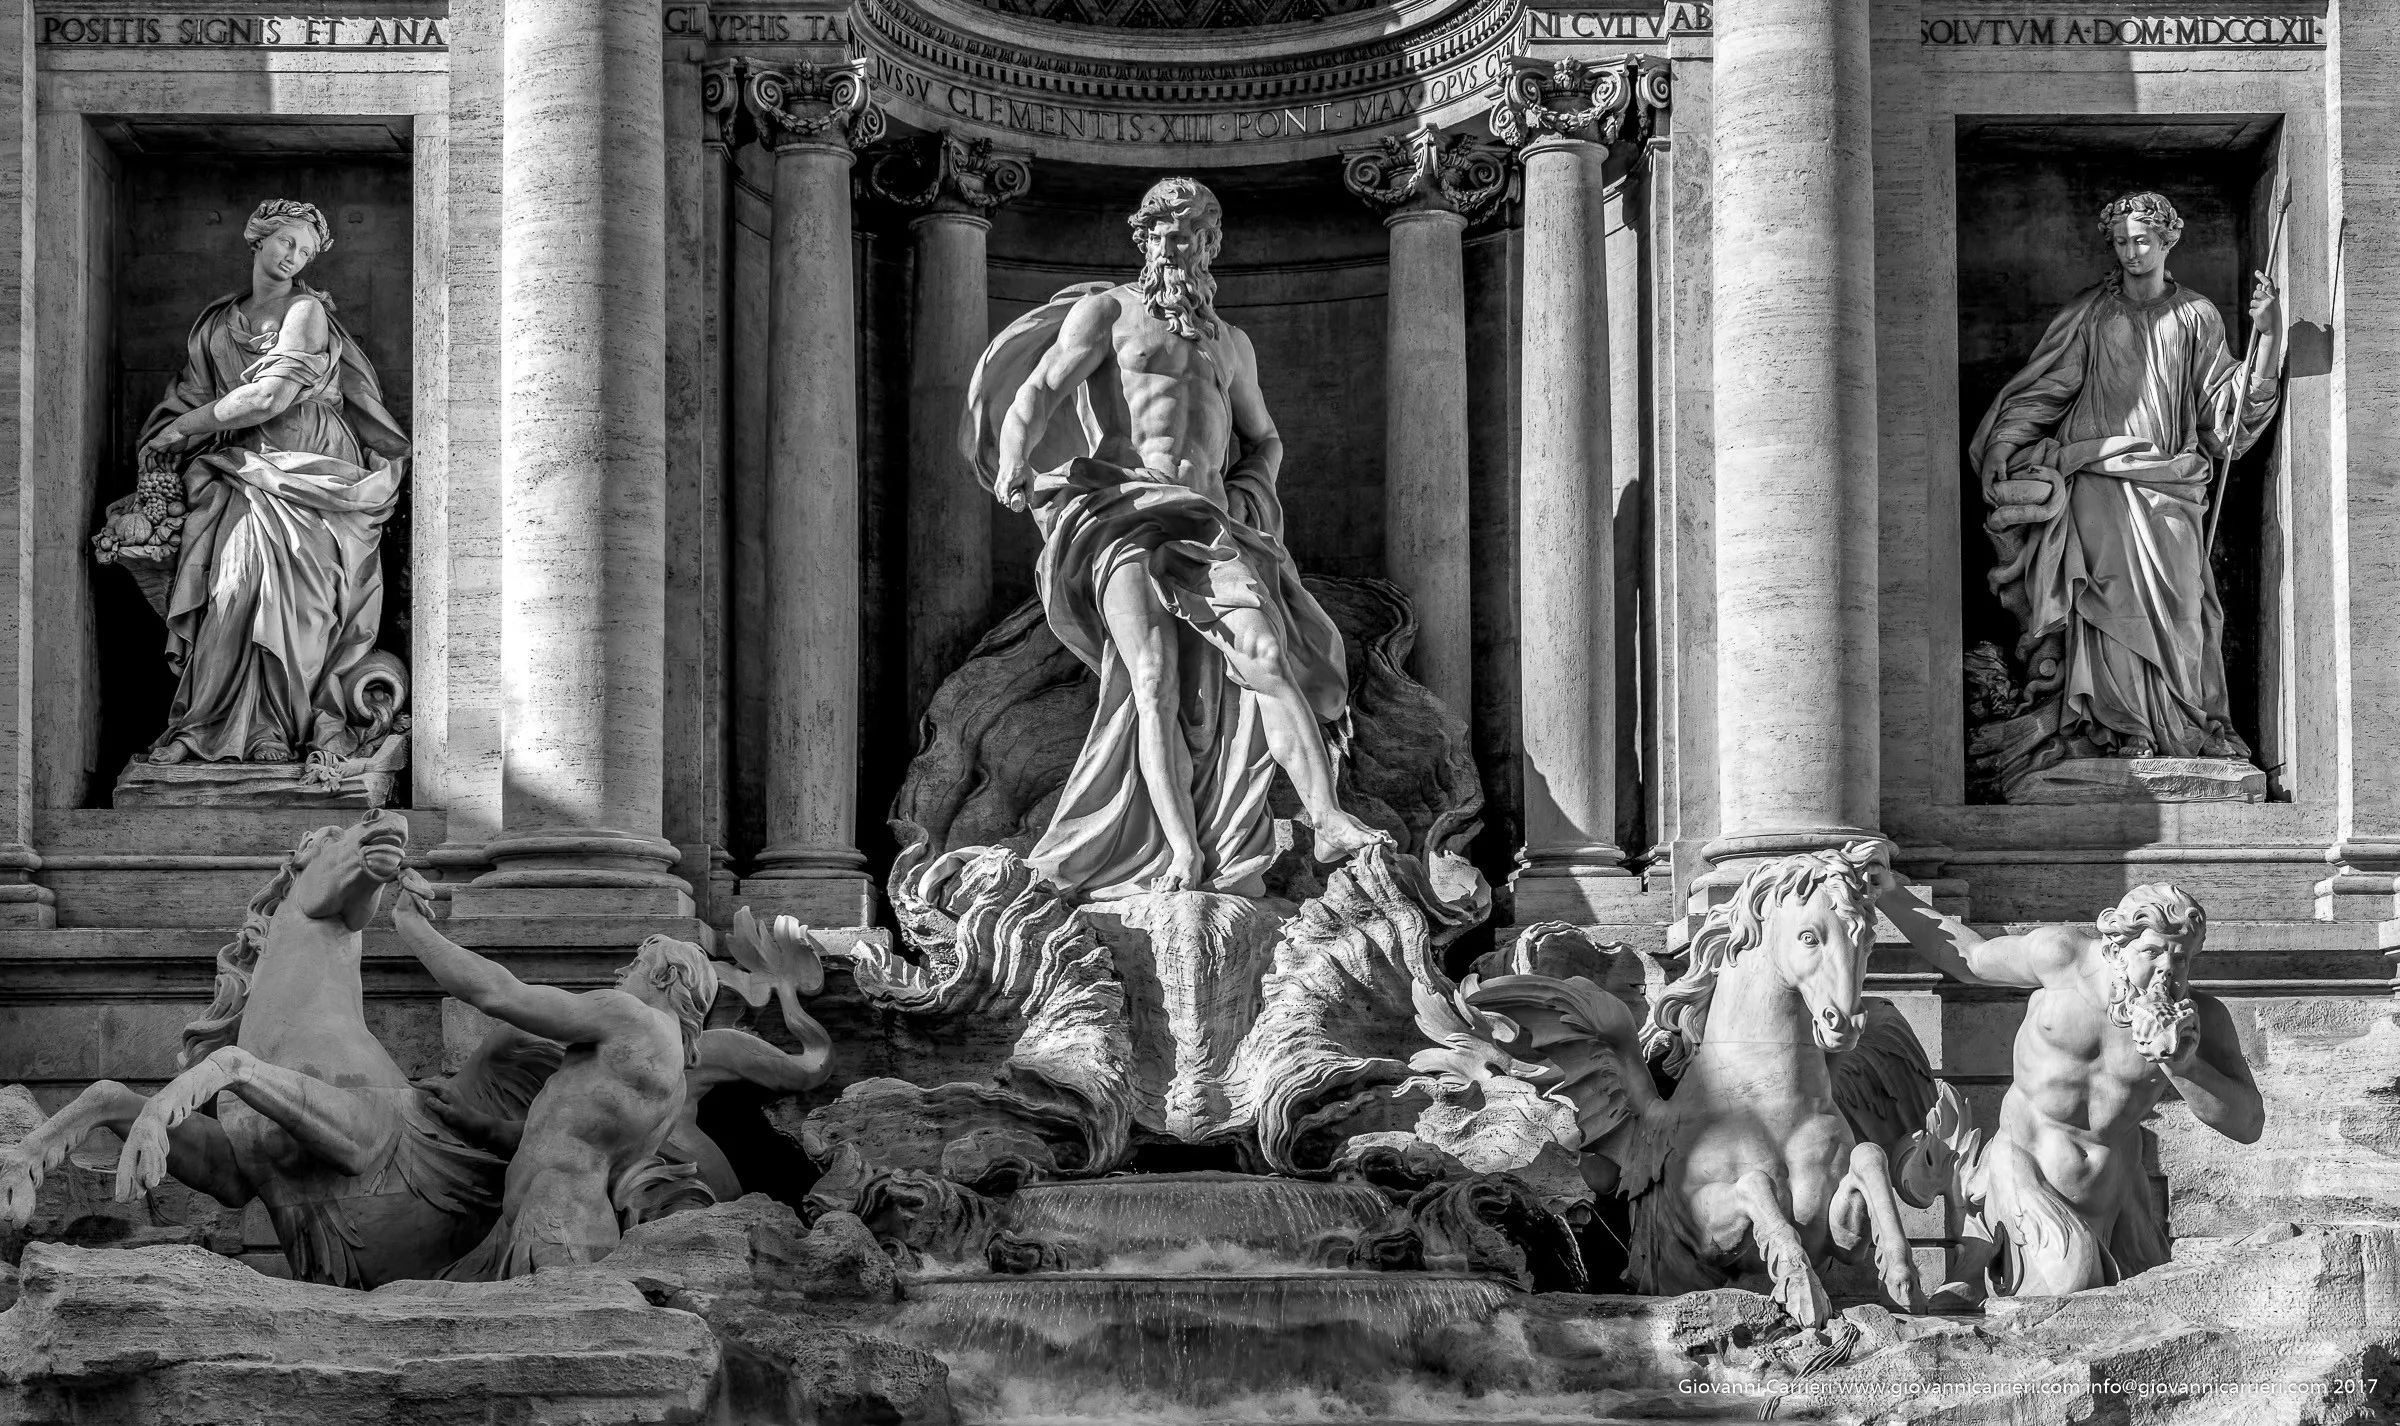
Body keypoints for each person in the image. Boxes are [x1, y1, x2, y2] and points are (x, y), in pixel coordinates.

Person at [962, 176, 1388, 898]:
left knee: (1266, 655)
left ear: (1210, 245)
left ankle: (1327, 818)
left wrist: (1256, 496)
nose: (1170, 241)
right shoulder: (1108, 313)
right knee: (1151, 680)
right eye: (1158, 229)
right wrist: (1011, 463)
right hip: (1125, 514)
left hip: (1211, 522)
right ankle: (1183, 855)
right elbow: (1039, 389)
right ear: (1143, 239)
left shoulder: (1231, 345)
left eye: (1185, 230)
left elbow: (1267, 438)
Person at [1972, 191, 2282, 768]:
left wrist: (2268, 339)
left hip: (2170, 480)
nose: (2131, 252)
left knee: (2181, 607)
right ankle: (2119, 729)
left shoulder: (2196, 316)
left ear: (2168, 241)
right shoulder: (2091, 314)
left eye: (2142, 240)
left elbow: (2225, 414)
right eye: (2120, 242)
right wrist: (2004, 441)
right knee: (2106, 603)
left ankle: (2180, 725)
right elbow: (2046, 390)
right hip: (2099, 473)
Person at [1867, 869, 2263, 1297]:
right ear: (2117, 949)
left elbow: (2248, 1125)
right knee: (2072, 1288)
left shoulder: (2202, 1019)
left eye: (2182, 958)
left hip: (2116, 1198)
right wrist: (1888, 892)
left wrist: (2183, 1066)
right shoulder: (2062, 958)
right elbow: (1971, 959)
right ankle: (1986, 1259)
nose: (2167, 970)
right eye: (2152, 953)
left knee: (2144, 1313)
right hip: (2026, 1169)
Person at [135, 198, 409, 765]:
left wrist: (184, 429)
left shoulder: (305, 310)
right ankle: (206, 728)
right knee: (233, 593)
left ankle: (276, 733)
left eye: (306, 250)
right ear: (258, 236)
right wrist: (167, 434)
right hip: (243, 470)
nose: (295, 256)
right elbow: (194, 394)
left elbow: (269, 396)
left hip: (311, 469)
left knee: (299, 607)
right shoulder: (215, 323)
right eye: (287, 241)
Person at [392, 878, 715, 1279]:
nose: (620, 971)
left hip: (558, 1229)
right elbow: (560, 1138)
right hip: (545, 1224)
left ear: (665, 977)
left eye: (636, 965)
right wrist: (472, 1122)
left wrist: (411, 925)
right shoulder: (673, 1080)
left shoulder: (631, 1016)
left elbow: (497, 994)